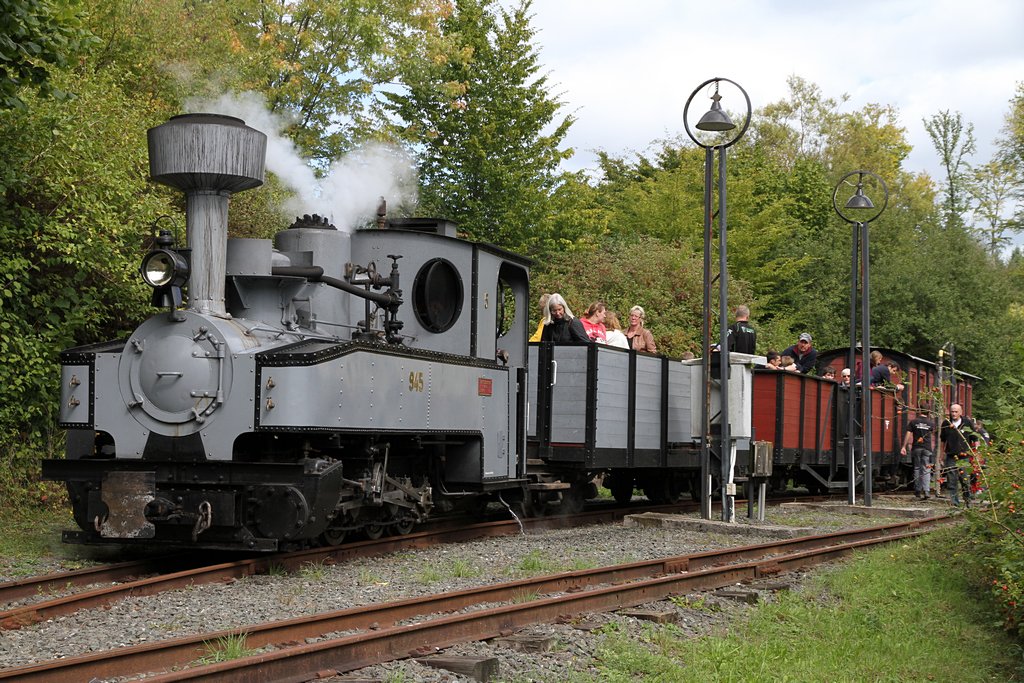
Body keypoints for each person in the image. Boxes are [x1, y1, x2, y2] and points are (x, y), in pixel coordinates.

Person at [940, 403, 978, 507]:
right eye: (952, 411)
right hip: (951, 456)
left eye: (956, 411)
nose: (954, 414)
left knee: (965, 479)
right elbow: (943, 440)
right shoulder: (946, 423)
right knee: (952, 481)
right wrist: (941, 455)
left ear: (960, 412)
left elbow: (975, 438)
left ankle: (968, 501)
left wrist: (976, 453)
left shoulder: (967, 423)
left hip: (964, 457)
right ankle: (954, 502)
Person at [901, 403, 935, 500]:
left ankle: (917, 490)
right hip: (927, 448)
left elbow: (908, 435)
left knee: (917, 468)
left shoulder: (913, 422)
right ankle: (927, 490)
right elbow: (933, 436)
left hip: (916, 448)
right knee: (926, 469)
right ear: (928, 412)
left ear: (919, 410)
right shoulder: (931, 423)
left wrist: (904, 446)